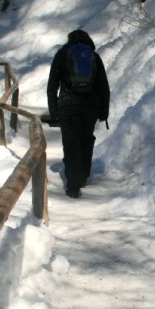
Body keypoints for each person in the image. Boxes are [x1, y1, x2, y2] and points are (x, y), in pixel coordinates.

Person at [47, 29, 110, 198]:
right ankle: (83, 176)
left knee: (71, 142)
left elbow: (52, 85)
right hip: (91, 106)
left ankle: (73, 185)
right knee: (86, 139)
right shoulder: (93, 56)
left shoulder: (62, 55)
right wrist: (104, 111)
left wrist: (54, 112)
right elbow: (103, 86)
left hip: (68, 106)